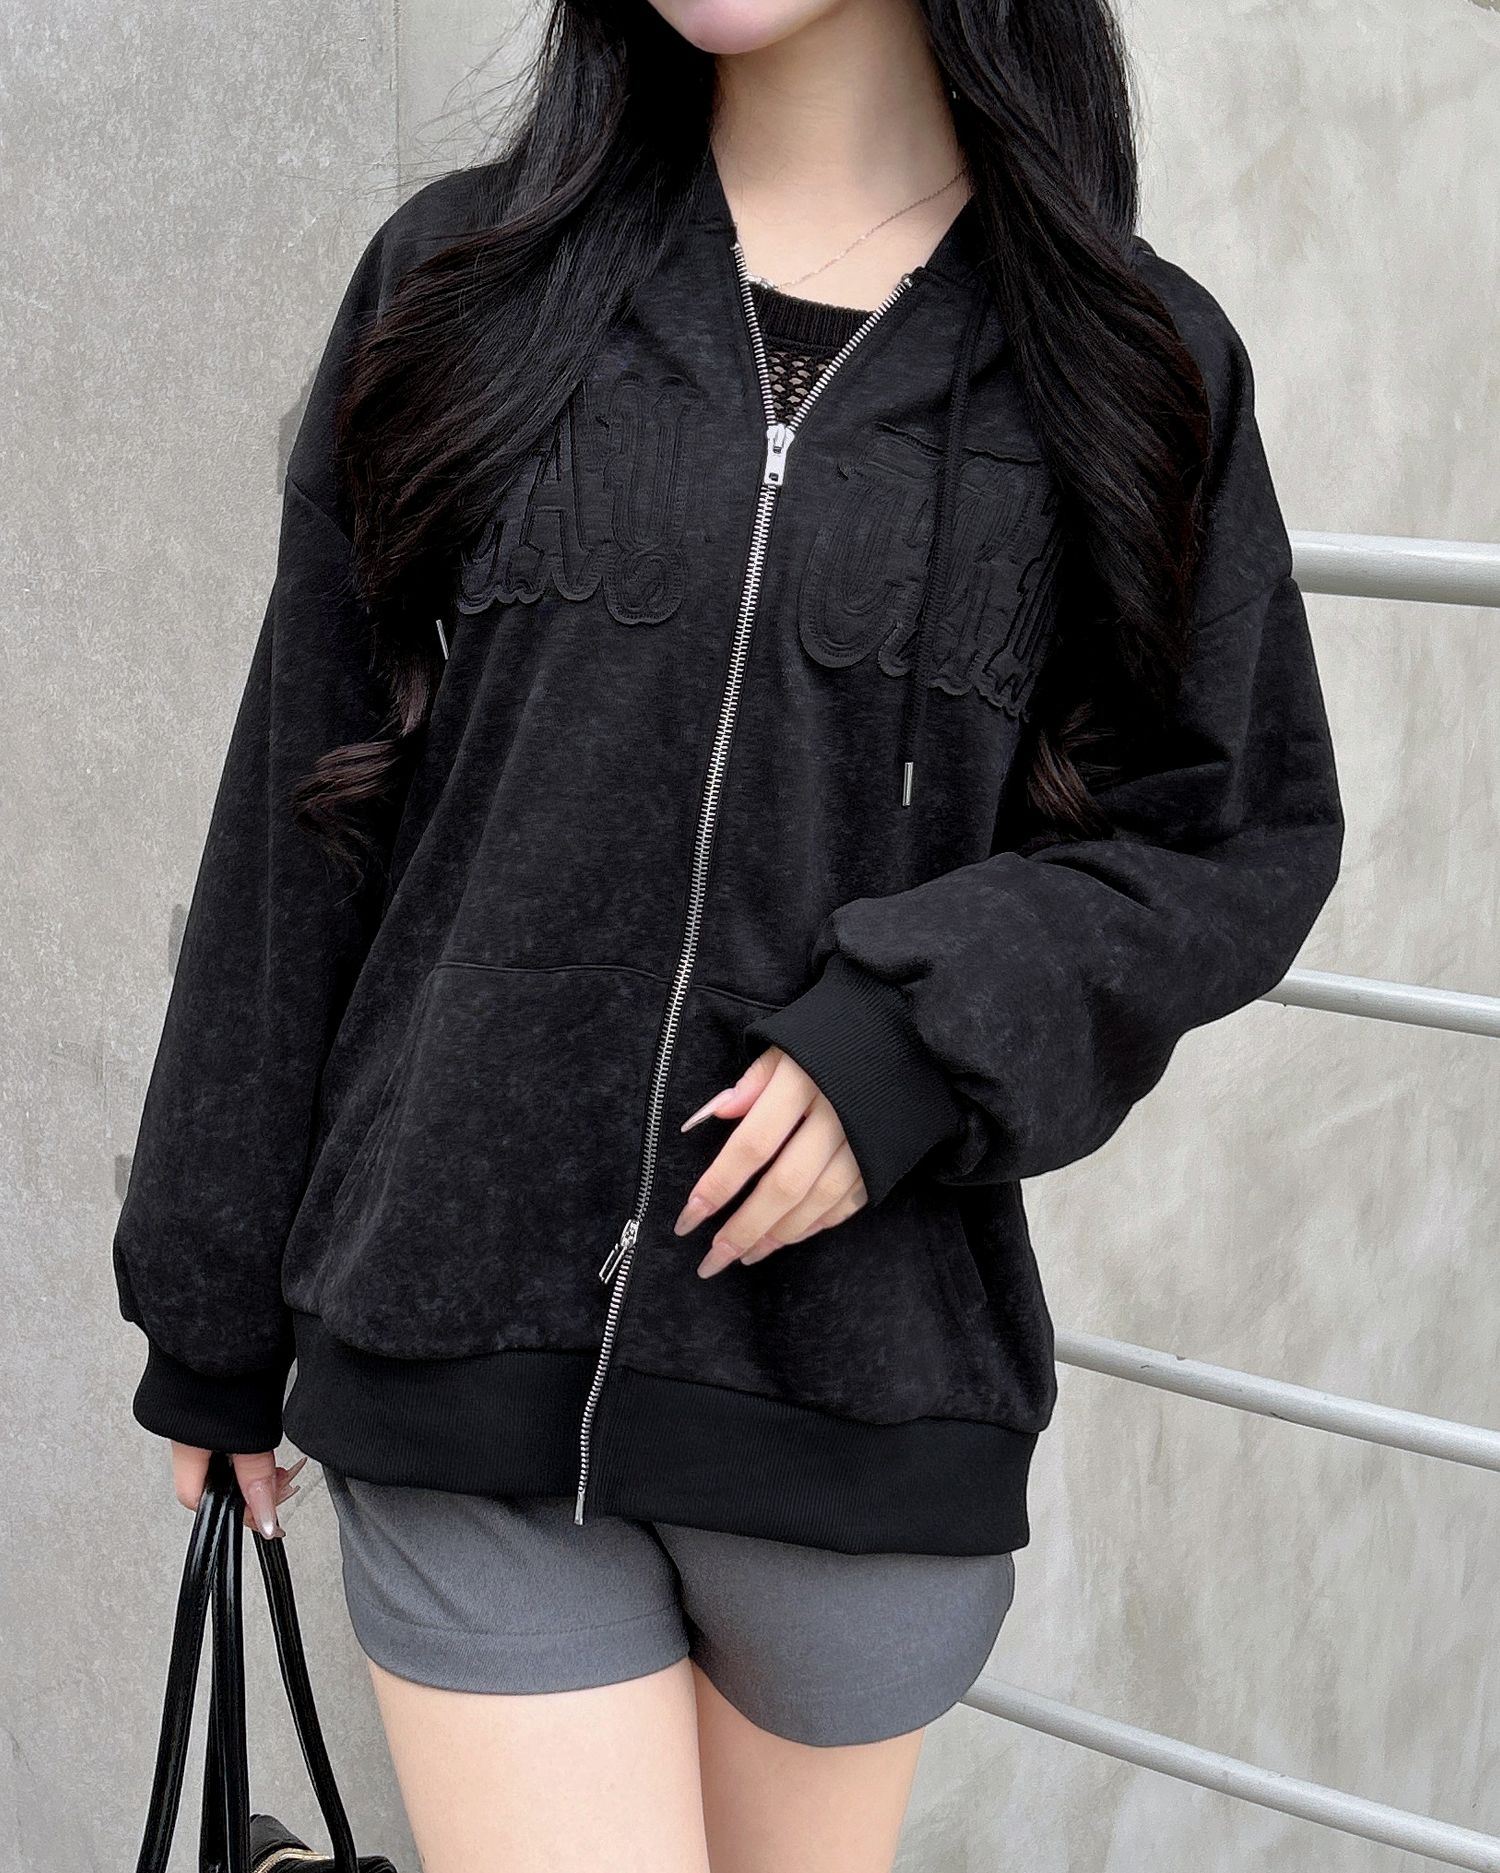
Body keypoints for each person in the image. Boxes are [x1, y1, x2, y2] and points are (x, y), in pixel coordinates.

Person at [111, 1, 1344, 1867]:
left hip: (854, 1400)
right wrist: (209, 1299)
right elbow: (302, 795)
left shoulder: (1131, 358)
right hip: (457, 1341)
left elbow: (1230, 831)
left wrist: (912, 1038)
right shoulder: (462, 278)